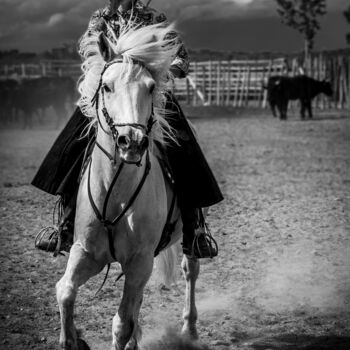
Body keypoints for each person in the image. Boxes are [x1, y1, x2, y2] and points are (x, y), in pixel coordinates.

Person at [33, 0, 223, 258]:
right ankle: (65, 226)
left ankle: (193, 230)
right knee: (73, 141)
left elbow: (181, 58)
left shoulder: (155, 18)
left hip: (148, 96)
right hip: (109, 95)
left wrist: (165, 67)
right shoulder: (101, 18)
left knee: (183, 146)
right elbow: (89, 52)